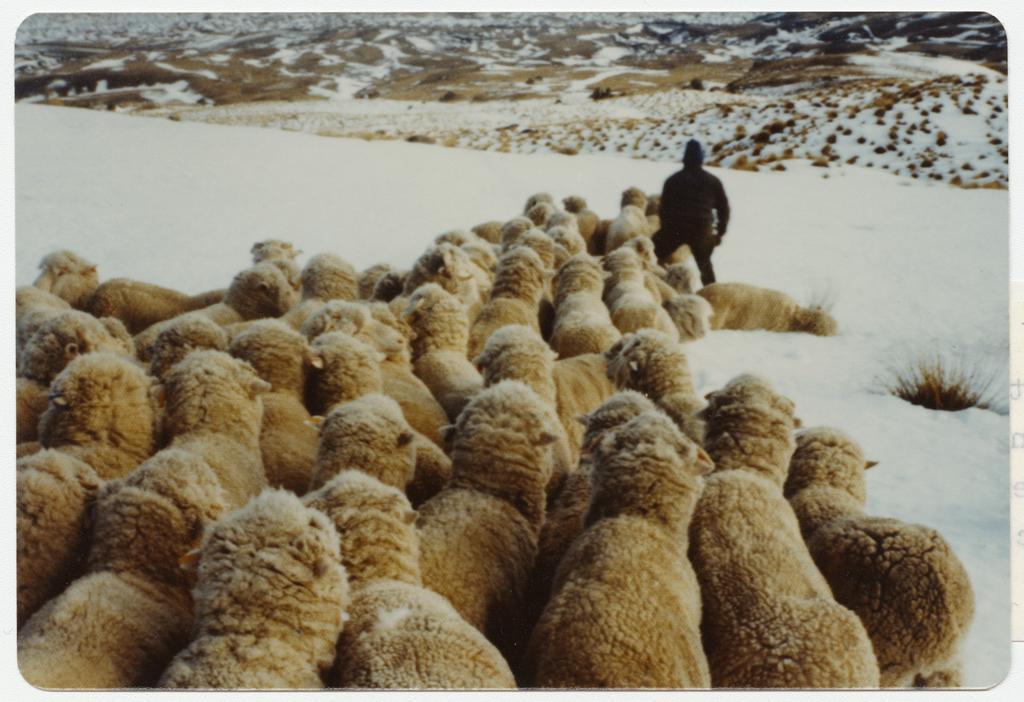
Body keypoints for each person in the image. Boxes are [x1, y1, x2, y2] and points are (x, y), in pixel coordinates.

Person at [651, 139, 730, 286]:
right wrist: (720, 232)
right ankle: (711, 293)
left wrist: (665, 230)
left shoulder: (672, 180)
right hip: (702, 230)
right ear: (701, 158)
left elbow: (664, 209)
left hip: (675, 229)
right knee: (705, 265)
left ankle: (648, 284)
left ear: (685, 158)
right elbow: (724, 208)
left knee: (651, 253)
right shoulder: (713, 181)